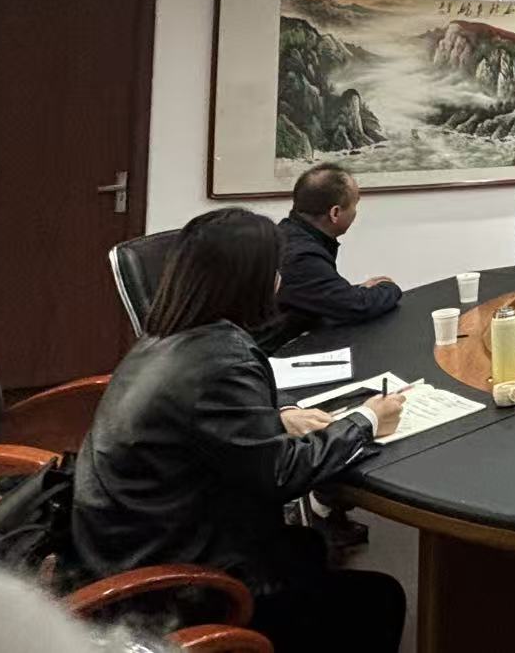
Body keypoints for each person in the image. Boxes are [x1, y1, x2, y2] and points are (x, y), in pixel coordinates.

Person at [72, 208, 409, 652]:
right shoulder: (220, 361)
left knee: (307, 546)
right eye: (274, 271)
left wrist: (276, 418)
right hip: (174, 592)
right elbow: (282, 474)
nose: (280, 281)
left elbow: (202, 427)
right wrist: (365, 420)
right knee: (380, 599)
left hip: (127, 550)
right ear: (249, 281)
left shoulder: (162, 339)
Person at [264, 163, 401, 347]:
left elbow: (321, 294)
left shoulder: (289, 233)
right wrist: (388, 287)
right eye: (355, 204)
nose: (355, 212)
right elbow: (357, 307)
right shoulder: (301, 255)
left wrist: (359, 290)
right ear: (335, 213)